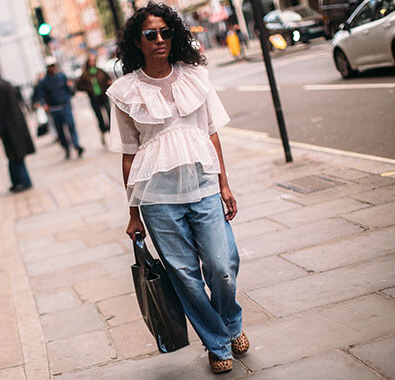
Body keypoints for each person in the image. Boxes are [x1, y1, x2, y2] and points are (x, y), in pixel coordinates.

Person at [107, 3, 249, 373]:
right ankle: (218, 344)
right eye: (150, 34)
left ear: (175, 35)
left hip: (203, 184)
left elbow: (211, 133)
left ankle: (230, 323)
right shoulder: (125, 92)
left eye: (166, 32)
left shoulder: (196, 76)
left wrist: (225, 184)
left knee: (221, 266)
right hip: (157, 199)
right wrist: (133, 212)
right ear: (137, 42)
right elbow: (128, 156)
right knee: (185, 275)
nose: (159, 40)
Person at [0, 63, 35, 193]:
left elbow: (1, 110)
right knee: (16, 156)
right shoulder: (6, 84)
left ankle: (23, 181)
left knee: (15, 156)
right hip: (15, 124)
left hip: (10, 127)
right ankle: (19, 181)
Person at [37, 56, 84, 160]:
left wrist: (71, 90)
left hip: (65, 106)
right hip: (54, 109)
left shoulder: (62, 77)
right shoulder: (44, 82)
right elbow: (41, 95)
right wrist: (44, 105)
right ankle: (66, 148)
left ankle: (76, 145)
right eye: (50, 66)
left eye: (54, 66)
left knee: (71, 126)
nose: (53, 68)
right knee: (60, 131)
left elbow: (69, 90)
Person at [76, 54, 112, 146]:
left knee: (109, 114)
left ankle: (111, 133)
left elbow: (108, 79)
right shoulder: (85, 74)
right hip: (94, 98)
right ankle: (103, 132)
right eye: (90, 61)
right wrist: (88, 89)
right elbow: (79, 86)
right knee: (99, 117)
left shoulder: (100, 71)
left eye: (93, 61)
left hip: (103, 96)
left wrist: (107, 85)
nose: (92, 63)